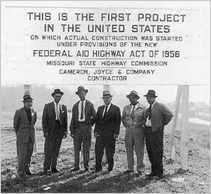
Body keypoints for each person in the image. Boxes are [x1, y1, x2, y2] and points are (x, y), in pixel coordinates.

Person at [143, 90, 173, 179]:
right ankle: (153, 172)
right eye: (147, 97)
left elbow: (170, 114)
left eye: (151, 97)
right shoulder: (149, 108)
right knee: (150, 152)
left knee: (157, 152)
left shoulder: (160, 106)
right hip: (148, 132)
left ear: (154, 98)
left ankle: (159, 173)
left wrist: (161, 124)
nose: (149, 99)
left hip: (156, 133)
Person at [70, 86, 96, 172]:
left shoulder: (90, 104)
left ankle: (86, 166)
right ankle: (76, 166)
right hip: (77, 128)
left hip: (86, 127)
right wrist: (72, 130)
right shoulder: (75, 105)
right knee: (77, 148)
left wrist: (89, 124)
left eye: (82, 93)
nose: (81, 95)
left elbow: (95, 117)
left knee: (86, 148)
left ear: (85, 93)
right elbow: (73, 118)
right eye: (79, 93)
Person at [94, 91, 121, 173]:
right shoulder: (100, 108)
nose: (106, 100)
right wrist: (95, 131)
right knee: (98, 151)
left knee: (110, 152)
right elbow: (97, 121)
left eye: (107, 98)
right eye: (104, 98)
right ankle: (98, 168)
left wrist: (116, 133)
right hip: (100, 134)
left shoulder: (116, 109)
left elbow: (118, 122)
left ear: (111, 98)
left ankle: (110, 168)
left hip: (110, 134)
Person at [42, 89, 68, 174]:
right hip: (50, 131)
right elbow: (44, 120)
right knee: (48, 150)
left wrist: (65, 131)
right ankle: (46, 168)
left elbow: (65, 120)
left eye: (59, 97)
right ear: (53, 97)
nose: (58, 98)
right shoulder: (47, 106)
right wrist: (45, 131)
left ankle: (54, 167)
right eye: (56, 96)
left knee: (56, 150)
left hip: (59, 131)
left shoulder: (63, 107)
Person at [122, 90, 146, 175]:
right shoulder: (126, 107)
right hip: (128, 131)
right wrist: (126, 125)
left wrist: (138, 124)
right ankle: (130, 168)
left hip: (138, 131)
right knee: (129, 149)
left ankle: (140, 169)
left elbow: (145, 120)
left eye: (133, 98)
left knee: (139, 150)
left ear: (137, 98)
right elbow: (123, 118)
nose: (131, 100)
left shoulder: (143, 108)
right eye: (130, 98)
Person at [13, 94, 37, 177]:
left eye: (30, 102)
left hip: (31, 137)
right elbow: (15, 125)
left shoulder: (34, 112)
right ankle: (20, 172)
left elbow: (33, 123)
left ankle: (27, 170)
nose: (29, 103)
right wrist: (20, 134)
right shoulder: (19, 112)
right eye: (27, 102)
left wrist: (31, 134)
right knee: (22, 155)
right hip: (22, 137)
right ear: (24, 103)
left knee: (29, 154)